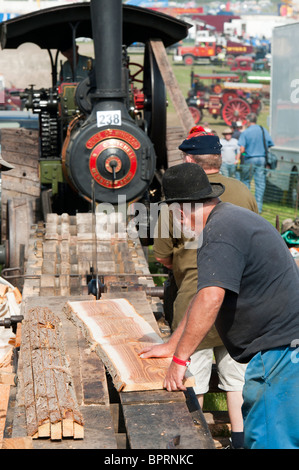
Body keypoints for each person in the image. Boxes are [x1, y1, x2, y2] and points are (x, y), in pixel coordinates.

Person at [140, 162, 299, 449]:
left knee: (270, 439)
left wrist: (179, 362)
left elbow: (211, 299)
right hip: (282, 349)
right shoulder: (228, 220)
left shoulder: (220, 232)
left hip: (279, 353)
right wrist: (173, 344)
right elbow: (202, 295)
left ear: (179, 210)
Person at [153, 126, 258, 449]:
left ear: (188, 159)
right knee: (236, 380)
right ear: (218, 158)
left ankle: (194, 444)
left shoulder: (177, 200)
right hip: (236, 302)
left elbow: (164, 258)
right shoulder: (242, 192)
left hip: (192, 301)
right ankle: (239, 441)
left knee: (190, 382)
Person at [238, 113, 274, 214]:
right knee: (260, 184)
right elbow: (270, 143)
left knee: (246, 182)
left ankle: (247, 206)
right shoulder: (263, 130)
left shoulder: (246, 132)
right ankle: (259, 208)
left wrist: (245, 153)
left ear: (248, 121)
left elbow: (242, 149)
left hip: (250, 159)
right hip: (262, 159)